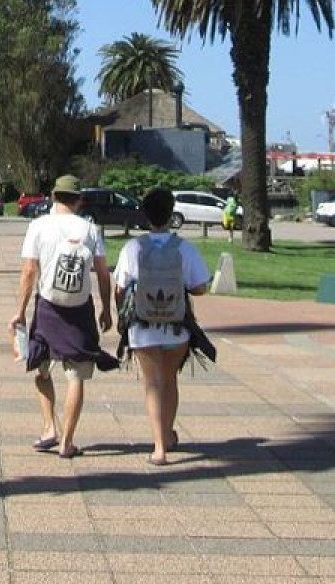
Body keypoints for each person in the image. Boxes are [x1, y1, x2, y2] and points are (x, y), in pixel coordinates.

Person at [12, 175, 115, 459]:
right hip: (80, 309)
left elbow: (29, 271)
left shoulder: (38, 226)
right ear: (78, 199)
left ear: (54, 197)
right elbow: (103, 273)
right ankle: (67, 442)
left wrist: (19, 312)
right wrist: (106, 308)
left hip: (47, 305)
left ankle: (48, 428)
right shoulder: (90, 229)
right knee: (76, 375)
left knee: (41, 369)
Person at [114, 187, 211, 464]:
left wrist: (119, 313)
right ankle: (167, 434)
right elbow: (200, 287)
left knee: (152, 383)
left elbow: (120, 288)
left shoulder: (133, 247)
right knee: (169, 381)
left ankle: (158, 447)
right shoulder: (185, 248)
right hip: (176, 324)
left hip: (142, 325)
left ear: (145, 215)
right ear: (171, 214)